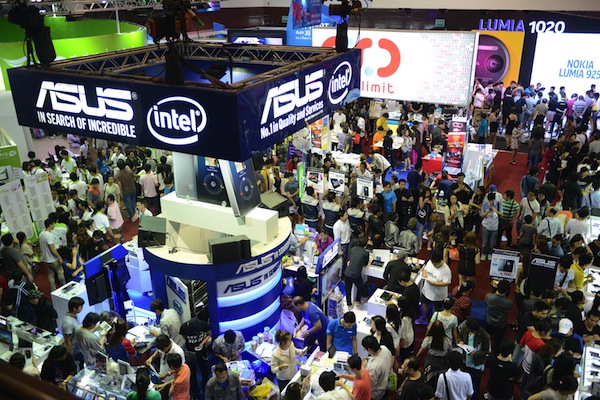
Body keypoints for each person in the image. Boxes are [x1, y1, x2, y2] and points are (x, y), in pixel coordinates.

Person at [458, 319, 490, 400]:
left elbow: (486, 351)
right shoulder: (465, 328)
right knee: (465, 383)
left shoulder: (485, 336)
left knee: (475, 386)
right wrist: (460, 341)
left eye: (473, 331)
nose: (471, 332)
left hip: (477, 364)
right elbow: (459, 337)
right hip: (465, 361)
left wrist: (476, 353)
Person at [418, 252, 451, 325]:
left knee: (436, 310)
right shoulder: (430, 262)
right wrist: (424, 273)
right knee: (424, 303)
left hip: (438, 295)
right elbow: (425, 269)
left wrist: (435, 284)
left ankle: (432, 323)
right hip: (427, 290)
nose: (434, 266)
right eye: (433, 264)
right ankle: (424, 318)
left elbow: (447, 282)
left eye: (435, 264)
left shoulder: (446, 270)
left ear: (440, 261)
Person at [484, 280, 514, 356]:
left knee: (487, 338)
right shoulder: (509, 302)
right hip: (501, 324)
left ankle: (486, 352)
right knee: (498, 341)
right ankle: (496, 354)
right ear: (507, 291)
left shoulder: (489, 296)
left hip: (489, 321)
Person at [361, 335, 393, 400]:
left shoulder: (375, 367)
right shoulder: (384, 348)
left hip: (375, 392)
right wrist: (369, 359)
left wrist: (363, 368)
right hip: (385, 382)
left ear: (369, 349)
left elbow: (369, 382)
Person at [39, 218, 65, 291]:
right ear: (50, 225)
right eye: (53, 224)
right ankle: (64, 287)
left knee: (50, 275)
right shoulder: (49, 235)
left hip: (46, 259)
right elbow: (52, 249)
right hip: (53, 259)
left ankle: (53, 290)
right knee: (60, 272)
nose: (54, 226)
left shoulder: (41, 234)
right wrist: (59, 257)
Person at [344, 237, 369, 308]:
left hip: (347, 273)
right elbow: (365, 264)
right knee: (360, 287)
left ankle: (349, 304)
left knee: (348, 289)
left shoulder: (353, 249)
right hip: (356, 275)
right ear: (365, 245)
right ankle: (357, 301)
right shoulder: (365, 253)